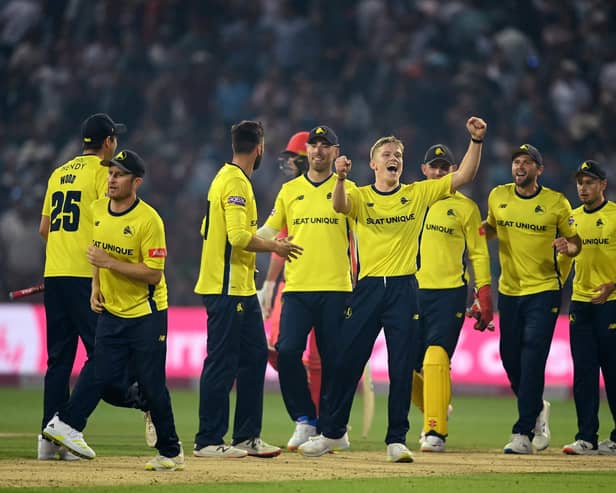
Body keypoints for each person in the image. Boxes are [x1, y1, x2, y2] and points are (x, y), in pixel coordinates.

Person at [299, 116, 487, 462]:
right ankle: (332, 433)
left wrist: (475, 141)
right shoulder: (358, 193)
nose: (394, 158)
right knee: (344, 362)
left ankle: (396, 439)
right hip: (367, 288)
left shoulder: (417, 194)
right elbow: (339, 206)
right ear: (373, 163)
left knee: (401, 367)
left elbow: (463, 176)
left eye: (398, 154)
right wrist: (340, 178)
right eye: (387, 153)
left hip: (404, 288)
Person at [43, 150, 184, 471]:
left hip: (146, 313)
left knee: (151, 384)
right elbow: (96, 254)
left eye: (119, 175)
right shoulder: (96, 211)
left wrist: (110, 264)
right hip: (112, 310)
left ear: (136, 182)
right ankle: (66, 423)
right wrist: (96, 286)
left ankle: (171, 451)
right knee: (99, 372)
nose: (111, 179)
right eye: (110, 173)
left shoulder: (149, 220)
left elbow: (154, 273)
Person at [37, 113, 150, 461]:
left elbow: (45, 229)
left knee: (58, 359)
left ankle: (48, 436)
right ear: (109, 142)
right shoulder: (104, 175)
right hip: (85, 275)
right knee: (104, 355)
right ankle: (70, 426)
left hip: (54, 272)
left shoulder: (59, 173)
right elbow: (109, 222)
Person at [193, 120, 302, 459]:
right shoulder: (237, 184)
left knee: (255, 356)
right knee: (222, 362)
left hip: (239, 287)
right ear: (260, 148)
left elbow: (206, 230)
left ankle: (246, 436)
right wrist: (276, 248)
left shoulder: (223, 179)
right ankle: (208, 440)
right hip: (226, 288)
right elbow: (238, 237)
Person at [256, 125, 356, 451]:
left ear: (335, 152)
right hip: (297, 289)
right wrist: (240, 241)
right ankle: (304, 419)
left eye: (325, 145)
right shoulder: (289, 191)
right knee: (286, 352)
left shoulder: (348, 191)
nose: (318, 150)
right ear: (308, 152)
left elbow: (361, 239)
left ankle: (331, 428)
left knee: (333, 361)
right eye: (313, 145)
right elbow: (270, 231)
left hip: (336, 289)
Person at [484, 143, 581, 454]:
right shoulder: (498, 196)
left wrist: (570, 248)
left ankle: (522, 432)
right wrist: (478, 231)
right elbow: (491, 228)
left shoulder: (556, 203)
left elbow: (576, 241)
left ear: (539, 169)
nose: (520, 166)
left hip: (544, 289)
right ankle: (537, 409)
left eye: (527, 162)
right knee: (510, 357)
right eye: (516, 162)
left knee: (532, 358)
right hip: (509, 290)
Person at [415, 144, 493, 453]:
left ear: (453, 172)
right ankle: (436, 407)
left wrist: (484, 292)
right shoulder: (409, 199)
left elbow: (478, 253)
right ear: (424, 170)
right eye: (433, 167)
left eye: (444, 167)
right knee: (403, 365)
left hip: (448, 293)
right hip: (409, 290)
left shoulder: (467, 208)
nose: (438, 172)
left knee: (436, 357)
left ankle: (435, 431)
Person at [258, 131, 323, 415]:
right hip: (293, 282)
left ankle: (323, 418)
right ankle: (307, 415)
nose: (289, 165)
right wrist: (270, 285)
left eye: (293, 159)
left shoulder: (330, 191)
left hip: (326, 282)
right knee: (279, 351)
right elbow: (278, 243)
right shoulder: (290, 192)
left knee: (323, 358)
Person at [560, 160, 616, 456]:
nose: (583, 188)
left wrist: (613, 286)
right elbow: (566, 261)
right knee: (584, 372)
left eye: (590, 182)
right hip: (581, 304)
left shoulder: (615, 215)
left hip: (611, 304)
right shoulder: (571, 219)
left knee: (613, 371)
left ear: (603, 185)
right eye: (580, 182)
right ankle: (586, 437)